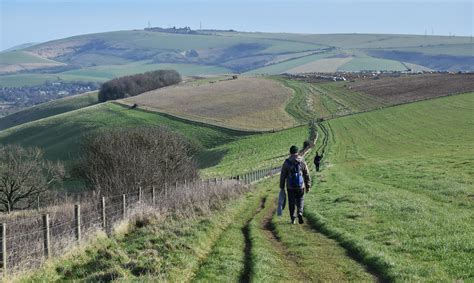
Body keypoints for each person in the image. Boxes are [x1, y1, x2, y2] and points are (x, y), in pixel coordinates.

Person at [279, 145, 311, 224]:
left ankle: (293, 219)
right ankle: (300, 213)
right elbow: (306, 174)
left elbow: (283, 175)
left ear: (290, 153)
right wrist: (308, 185)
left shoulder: (287, 162)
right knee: (301, 200)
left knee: (292, 203)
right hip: (301, 186)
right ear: (297, 152)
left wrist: (282, 186)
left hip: (290, 187)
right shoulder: (302, 161)